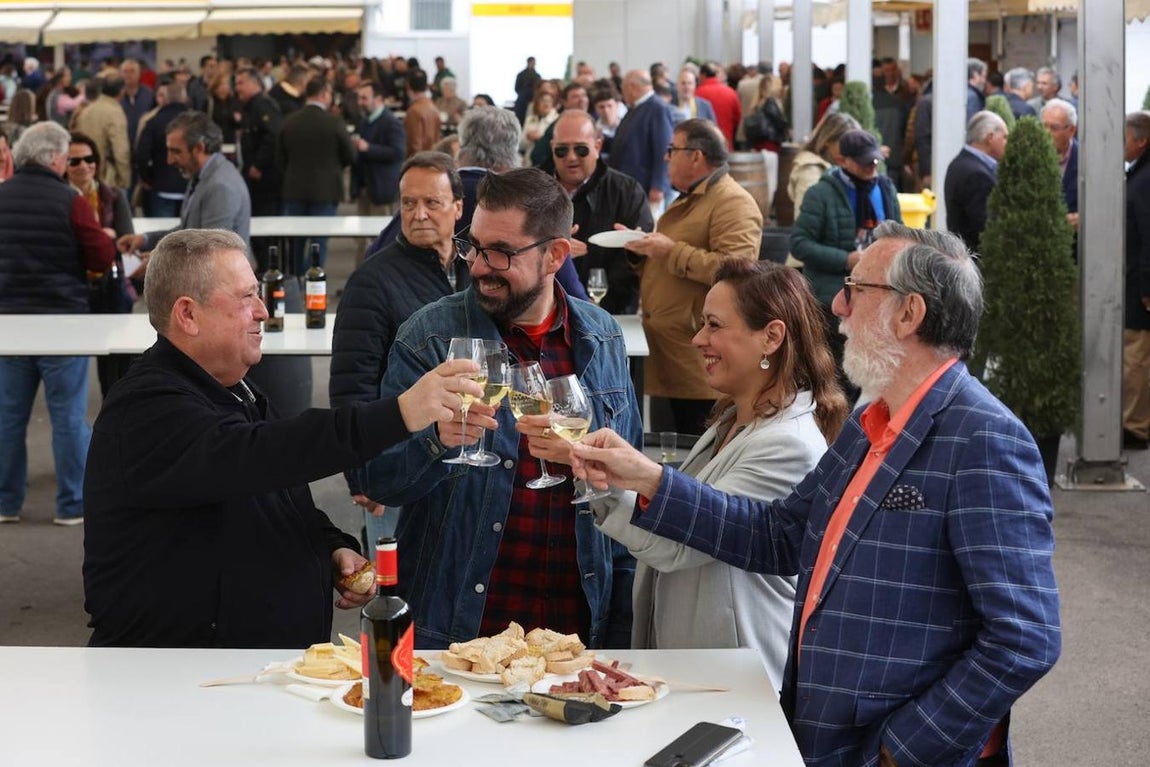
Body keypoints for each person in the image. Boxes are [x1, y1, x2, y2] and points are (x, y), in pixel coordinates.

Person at [573, 222, 1062, 767]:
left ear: (910, 313)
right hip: (825, 736)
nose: (838, 305)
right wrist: (647, 479)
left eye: (856, 289)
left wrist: (905, 749)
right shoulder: (868, 421)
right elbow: (779, 535)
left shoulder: (983, 437)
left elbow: (1024, 637)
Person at [82, 228, 482, 647]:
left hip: (235, 679)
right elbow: (261, 457)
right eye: (246, 297)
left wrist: (329, 547)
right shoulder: (148, 407)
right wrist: (399, 414)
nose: (262, 310)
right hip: (176, 685)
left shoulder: (233, 388)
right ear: (187, 314)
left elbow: (276, 495)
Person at [361, 168, 643, 649]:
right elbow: (381, 480)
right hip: (457, 631)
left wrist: (620, 623)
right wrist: (436, 439)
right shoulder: (428, 338)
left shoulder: (602, 335)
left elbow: (628, 485)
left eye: (501, 253)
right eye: (475, 245)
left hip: (576, 628)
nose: (479, 266)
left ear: (555, 255)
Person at [576, 260, 846, 688]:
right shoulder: (732, 421)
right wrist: (595, 473)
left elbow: (679, 546)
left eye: (714, 325)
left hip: (738, 681)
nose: (699, 339)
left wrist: (624, 474)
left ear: (771, 337)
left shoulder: (788, 444)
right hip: (703, 670)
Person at [331, 152, 470, 545]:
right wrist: (359, 474)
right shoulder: (371, 282)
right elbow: (351, 385)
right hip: (397, 464)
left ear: (458, 207)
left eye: (432, 203)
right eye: (409, 203)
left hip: (458, 461)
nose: (419, 214)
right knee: (396, 595)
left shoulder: (474, 270)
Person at [0, 121, 116, 526]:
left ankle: (5, 503)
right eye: (66, 157)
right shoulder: (71, 200)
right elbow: (101, 258)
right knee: (67, 417)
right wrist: (106, 236)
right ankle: (71, 505)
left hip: (9, 325)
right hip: (62, 321)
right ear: (52, 157)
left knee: (8, 416)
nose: (68, 164)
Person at [365, 106, 589, 302]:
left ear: (461, 148)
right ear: (513, 153)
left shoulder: (433, 196)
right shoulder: (526, 204)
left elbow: (374, 258)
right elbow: (576, 300)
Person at [623, 119, 762, 435]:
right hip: (668, 349)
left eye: (672, 149)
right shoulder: (691, 197)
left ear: (696, 156)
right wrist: (639, 249)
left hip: (699, 359)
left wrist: (670, 251)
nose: (666, 157)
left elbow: (739, 270)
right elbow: (671, 263)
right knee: (668, 452)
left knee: (691, 458)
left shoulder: (732, 201)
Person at [791, 128, 902, 398]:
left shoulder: (885, 187)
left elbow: (899, 233)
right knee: (839, 378)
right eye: (865, 162)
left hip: (877, 294)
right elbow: (800, 244)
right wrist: (847, 259)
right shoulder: (821, 194)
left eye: (875, 161)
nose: (872, 167)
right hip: (833, 298)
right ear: (844, 161)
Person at [551, 110, 653, 314]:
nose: (571, 157)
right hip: (544, 312)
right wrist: (550, 248)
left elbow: (633, 262)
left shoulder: (626, 191)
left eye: (581, 149)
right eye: (562, 150)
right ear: (552, 148)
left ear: (597, 146)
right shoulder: (532, 188)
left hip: (610, 311)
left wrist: (597, 308)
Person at [117, 111, 251, 258]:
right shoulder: (202, 175)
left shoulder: (221, 186)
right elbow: (188, 231)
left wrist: (160, 261)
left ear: (199, 148)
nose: (169, 160)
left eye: (175, 152)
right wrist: (145, 240)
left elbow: (210, 252)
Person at [277, 77, 354, 273]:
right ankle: (314, 284)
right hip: (326, 191)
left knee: (295, 242)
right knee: (319, 241)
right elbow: (351, 155)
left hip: (293, 190)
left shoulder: (289, 122)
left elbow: (279, 158)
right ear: (323, 94)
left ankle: (295, 284)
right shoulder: (334, 122)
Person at [232, 67, 284, 271]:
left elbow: (273, 136)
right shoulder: (249, 107)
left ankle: (268, 272)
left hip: (265, 179)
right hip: (253, 178)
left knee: (265, 230)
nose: (237, 88)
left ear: (255, 83)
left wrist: (258, 164)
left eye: (241, 83)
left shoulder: (263, 105)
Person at [610, 70, 676, 215]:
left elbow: (664, 149)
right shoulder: (635, 107)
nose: (623, 93)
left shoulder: (658, 108)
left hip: (646, 187)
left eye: (624, 88)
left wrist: (658, 185)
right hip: (630, 186)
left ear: (633, 87)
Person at [1123, 111, 1150, 451]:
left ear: (1141, 140)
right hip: (1135, 279)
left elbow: (1147, 235)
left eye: (1124, 138)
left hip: (1139, 284)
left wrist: (1146, 288)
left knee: (1136, 356)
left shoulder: (1144, 180)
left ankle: (1136, 427)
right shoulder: (1139, 175)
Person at [944, 111, 1009, 253]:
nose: (1007, 143)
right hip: (975, 260)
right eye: (1004, 137)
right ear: (990, 138)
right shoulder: (977, 175)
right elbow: (986, 229)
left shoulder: (960, 162)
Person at [351, 79, 405, 222]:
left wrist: (369, 148)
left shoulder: (391, 123)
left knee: (380, 237)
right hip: (365, 189)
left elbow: (398, 152)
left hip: (382, 190)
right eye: (359, 98)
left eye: (364, 98)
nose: (360, 102)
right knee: (361, 238)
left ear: (379, 99)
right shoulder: (364, 122)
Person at [135, 80, 189, 217]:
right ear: (184, 98)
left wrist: (147, 178)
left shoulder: (153, 122)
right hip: (190, 187)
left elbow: (142, 155)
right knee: (190, 235)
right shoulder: (197, 122)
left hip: (161, 185)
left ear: (165, 99)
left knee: (162, 235)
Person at [72, 76, 132, 190]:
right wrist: (125, 180)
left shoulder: (87, 109)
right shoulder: (115, 112)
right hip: (106, 175)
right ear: (121, 91)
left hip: (84, 171)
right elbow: (121, 150)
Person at [1040, 99, 1079, 234]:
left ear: (1072, 130)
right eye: (1043, 126)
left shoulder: (1084, 159)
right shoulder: (1029, 156)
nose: (1046, 133)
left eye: (1054, 128)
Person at [694, 63, 741, 149]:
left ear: (702, 75)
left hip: (703, 144)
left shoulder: (697, 93)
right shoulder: (731, 92)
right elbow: (737, 118)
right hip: (726, 140)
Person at [404, 68, 440, 157]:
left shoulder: (413, 111)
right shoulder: (433, 107)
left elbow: (414, 145)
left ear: (408, 86)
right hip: (433, 159)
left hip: (419, 163)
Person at [119, 59, 155, 147]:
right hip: (120, 143)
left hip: (143, 143)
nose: (128, 75)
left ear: (139, 74)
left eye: (132, 71)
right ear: (120, 74)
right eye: (125, 71)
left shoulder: (149, 95)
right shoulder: (115, 97)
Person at [520, 88, 559, 166]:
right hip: (527, 162)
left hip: (546, 163)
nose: (546, 104)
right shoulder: (530, 119)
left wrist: (541, 138)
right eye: (543, 101)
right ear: (537, 103)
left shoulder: (557, 120)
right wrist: (528, 138)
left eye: (549, 101)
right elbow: (521, 145)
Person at [513, 56, 541, 125]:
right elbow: (516, 88)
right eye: (532, 62)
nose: (533, 64)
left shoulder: (537, 76)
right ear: (528, 62)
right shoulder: (521, 75)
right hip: (522, 100)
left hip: (533, 100)